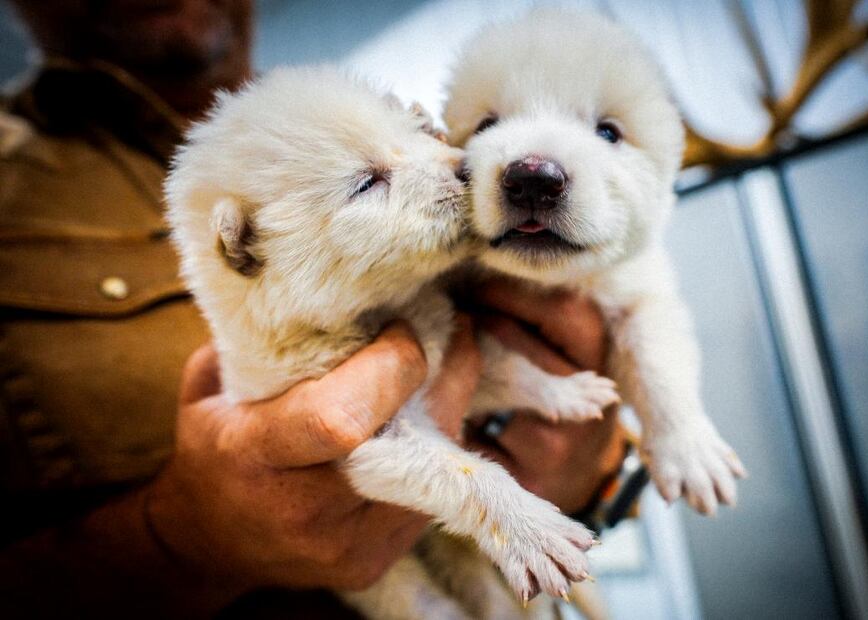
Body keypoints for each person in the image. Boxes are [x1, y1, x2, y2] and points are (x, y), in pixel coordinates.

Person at [0, 1, 626, 616]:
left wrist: (598, 471)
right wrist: (181, 541)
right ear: (244, 246)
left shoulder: (340, 105)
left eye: (416, 138)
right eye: (366, 184)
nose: (460, 167)